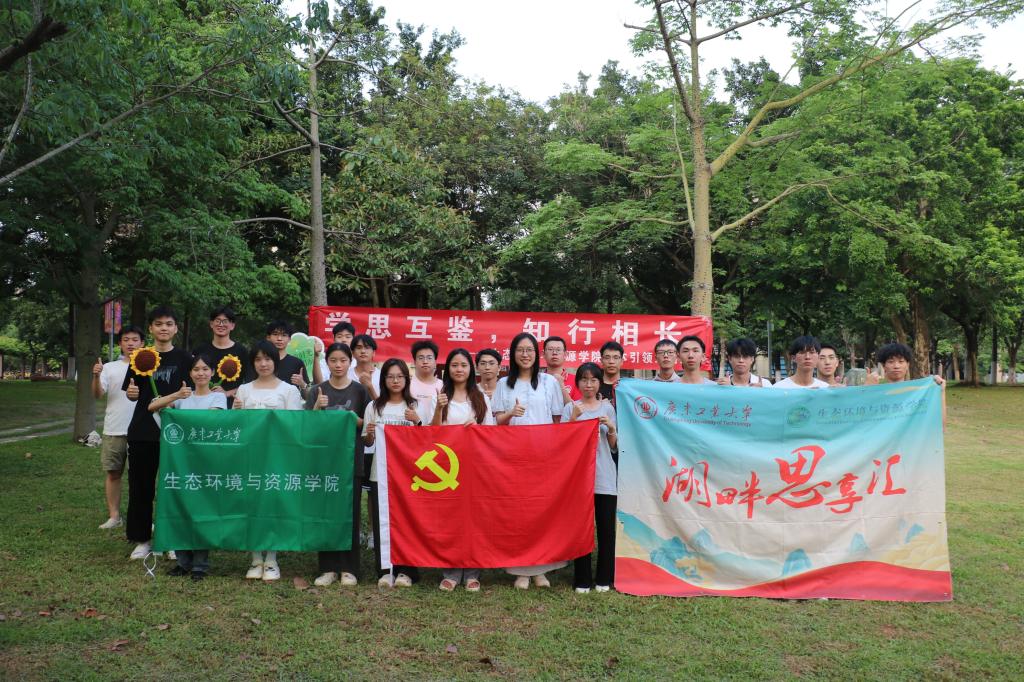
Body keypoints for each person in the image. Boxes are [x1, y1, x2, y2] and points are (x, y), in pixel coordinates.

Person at [493, 333, 565, 589]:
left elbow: (557, 419)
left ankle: (540, 569)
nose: (525, 355)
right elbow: (496, 421)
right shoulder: (504, 384)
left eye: (530, 350)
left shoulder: (548, 382)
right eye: (520, 350)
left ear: (537, 354)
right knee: (518, 512)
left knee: (541, 510)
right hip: (513, 456)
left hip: (543, 455)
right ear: (512, 354)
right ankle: (520, 570)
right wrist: (511, 413)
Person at [147, 354, 227, 580]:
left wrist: (182, 415)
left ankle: (200, 565)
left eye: (205, 368)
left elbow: (211, 421)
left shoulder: (218, 398)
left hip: (207, 462)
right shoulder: (183, 398)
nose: (201, 373)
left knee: (202, 510)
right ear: (190, 373)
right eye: (196, 369)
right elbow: (152, 407)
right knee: (180, 507)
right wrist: (176, 395)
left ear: (212, 372)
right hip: (181, 463)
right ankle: (183, 562)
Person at [122, 306, 192, 561]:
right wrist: (132, 394)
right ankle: (142, 539)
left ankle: (172, 537)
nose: (164, 328)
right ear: (151, 328)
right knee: (141, 487)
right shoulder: (140, 357)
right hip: (143, 430)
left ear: (176, 328)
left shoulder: (185, 358)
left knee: (174, 486)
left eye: (169, 324)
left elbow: (194, 389)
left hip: (176, 432)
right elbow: (132, 391)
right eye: (159, 324)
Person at [233, 340, 304, 581]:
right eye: (258, 359)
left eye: (268, 359)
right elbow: (237, 426)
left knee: (273, 504)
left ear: (275, 361)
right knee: (251, 503)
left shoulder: (289, 391)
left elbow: (294, 425)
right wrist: (236, 411)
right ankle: (255, 559)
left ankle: (272, 559)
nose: (263, 364)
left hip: (277, 457)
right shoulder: (244, 390)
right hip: (250, 456)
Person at [362, 358, 432, 588]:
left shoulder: (415, 406)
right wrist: (370, 433)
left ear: (406, 379)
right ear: (383, 380)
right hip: (380, 475)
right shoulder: (374, 407)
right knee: (382, 522)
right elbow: (368, 442)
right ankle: (385, 570)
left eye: (399, 376)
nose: (395, 381)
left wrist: (417, 421)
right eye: (390, 376)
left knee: (408, 523)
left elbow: (427, 440)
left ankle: (407, 571)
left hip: (409, 476)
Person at [306, 343, 371, 588]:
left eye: (343, 360)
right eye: (333, 360)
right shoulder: (317, 390)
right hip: (324, 463)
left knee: (351, 514)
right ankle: (327, 568)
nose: (338, 365)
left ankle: (349, 568)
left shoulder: (360, 391)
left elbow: (369, 429)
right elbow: (307, 429)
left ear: (350, 361)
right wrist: (316, 409)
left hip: (352, 460)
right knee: (326, 515)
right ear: (327, 362)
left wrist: (356, 421)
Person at [432, 348, 495, 593]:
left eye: (464, 365)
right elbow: (431, 433)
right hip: (447, 469)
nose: (459, 369)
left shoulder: (480, 397)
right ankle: (451, 571)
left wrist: (477, 429)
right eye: (455, 365)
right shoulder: (441, 396)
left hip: (474, 468)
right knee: (449, 520)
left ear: (471, 369)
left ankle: (472, 572)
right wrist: (438, 409)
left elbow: (491, 433)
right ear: (448, 369)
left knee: (474, 520)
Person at [563, 363, 618, 594]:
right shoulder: (571, 408)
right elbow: (563, 444)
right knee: (581, 530)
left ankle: (605, 577)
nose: (588, 384)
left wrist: (611, 428)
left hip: (604, 476)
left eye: (593, 380)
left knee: (606, 529)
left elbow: (614, 446)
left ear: (599, 383)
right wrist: (573, 420)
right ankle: (582, 578)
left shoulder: (607, 408)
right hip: (579, 479)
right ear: (577, 383)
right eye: (584, 380)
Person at [92, 325, 144, 530]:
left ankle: (141, 517)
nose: (130, 343)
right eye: (126, 340)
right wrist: (96, 376)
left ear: (142, 343)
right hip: (114, 429)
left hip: (141, 430)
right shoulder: (109, 367)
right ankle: (114, 516)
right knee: (113, 473)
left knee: (140, 478)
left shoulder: (148, 368)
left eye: (135, 339)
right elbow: (97, 394)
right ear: (120, 343)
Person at [866, 342, 947, 426]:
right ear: (883, 366)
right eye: (891, 362)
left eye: (901, 361)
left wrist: (941, 391)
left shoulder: (918, 395)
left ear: (907, 365)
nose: (896, 366)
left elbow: (940, 426)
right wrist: (866, 390)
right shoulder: (876, 394)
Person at [191, 306, 249, 405]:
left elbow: (249, 384)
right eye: (217, 321)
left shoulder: (241, 351)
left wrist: (227, 393)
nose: (221, 324)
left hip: (232, 406)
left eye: (225, 321)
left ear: (232, 325)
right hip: (204, 405)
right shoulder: (200, 350)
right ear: (211, 324)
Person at [265, 320, 311, 395]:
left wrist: (302, 384)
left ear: (289, 339)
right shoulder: (261, 363)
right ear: (268, 337)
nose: (279, 338)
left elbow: (308, 397)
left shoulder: (297, 363)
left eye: (284, 335)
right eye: (275, 334)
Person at [543, 336, 580, 403]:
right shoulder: (537, 380)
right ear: (543, 354)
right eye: (550, 349)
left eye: (558, 350)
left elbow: (577, 407)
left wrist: (561, 385)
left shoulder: (576, 381)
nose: (554, 353)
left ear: (565, 354)